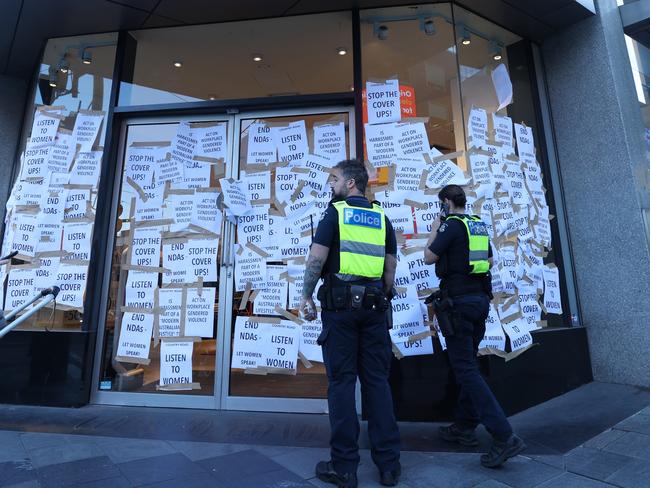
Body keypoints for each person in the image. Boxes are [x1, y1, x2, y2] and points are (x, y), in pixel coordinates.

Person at [300, 159, 401, 488]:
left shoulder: (336, 213)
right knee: (377, 383)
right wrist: (377, 296)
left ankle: (344, 467)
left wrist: (306, 296)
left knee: (342, 384)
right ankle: (389, 466)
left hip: (341, 311)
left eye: (334, 179)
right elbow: (389, 272)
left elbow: (316, 258)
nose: (331, 185)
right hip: (373, 309)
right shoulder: (381, 218)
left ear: (352, 184)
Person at [423, 184, 526, 468]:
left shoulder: (451, 225)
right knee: (469, 363)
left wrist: (435, 227)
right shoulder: (477, 225)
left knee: (465, 369)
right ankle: (464, 426)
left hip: (458, 303)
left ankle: (504, 436)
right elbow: (489, 260)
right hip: (479, 301)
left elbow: (428, 257)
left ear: (445, 202)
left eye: (439, 204)